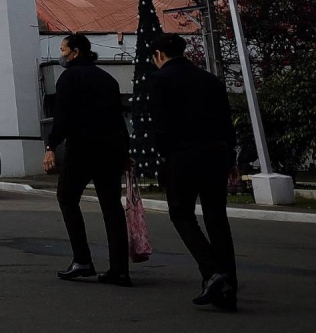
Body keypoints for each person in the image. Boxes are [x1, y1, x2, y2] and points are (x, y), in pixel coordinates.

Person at [148, 33, 239, 311]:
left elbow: (160, 125)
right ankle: (228, 288)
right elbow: (226, 122)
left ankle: (212, 272)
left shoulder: (160, 80)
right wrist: (231, 158)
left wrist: (164, 156)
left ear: (159, 55)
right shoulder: (210, 80)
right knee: (216, 218)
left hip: (183, 156)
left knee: (181, 213)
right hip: (216, 154)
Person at [44, 33, 131, 286]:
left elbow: (63, 116)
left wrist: (51, 145)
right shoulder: (108, 79)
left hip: (82, 148)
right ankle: (119, 269)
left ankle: (82, 260)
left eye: (63, 49)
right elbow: (118, 117)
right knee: (112, 207)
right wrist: (125, 152)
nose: (61, 54)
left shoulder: (69, 77)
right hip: (111, 149)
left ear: (75, 52)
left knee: (67, 198)